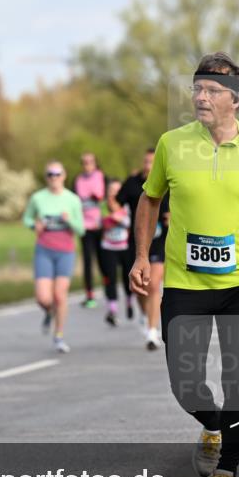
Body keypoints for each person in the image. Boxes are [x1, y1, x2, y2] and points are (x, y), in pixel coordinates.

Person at [129, 52, 239, 477]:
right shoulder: (172, 144)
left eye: (210, 90)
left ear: (236, 99)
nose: (200, 96)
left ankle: (227, 473)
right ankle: (212, 424)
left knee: (237, 378)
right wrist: (143, 255)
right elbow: (149, 201)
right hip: (184, 282)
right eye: (196, 88)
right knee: (185, 383)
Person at [24, 161, 85, 352]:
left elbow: (81, 230)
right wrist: (35, 225)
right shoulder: (38, 198)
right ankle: (49, 312)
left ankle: (58, 335)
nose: (54, 178)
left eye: (57, 174)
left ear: (64, 176)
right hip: (44, 250)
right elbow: (26, 218)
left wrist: (70, 221)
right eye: (50, 174)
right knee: (43, 298)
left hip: (65, 252)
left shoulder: (72, 199)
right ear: (46, 177)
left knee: (59, 295)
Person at [117, 149, 170, 349]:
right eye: (146, 161)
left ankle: (152, 331)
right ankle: (145, 313)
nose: (149, 166)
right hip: (138, 242)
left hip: (160, 241)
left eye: (152, 162)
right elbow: (115, 202)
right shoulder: (132, 183)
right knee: (141, 287)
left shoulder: (169, 181)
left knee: (154, 284)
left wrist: (173, 216)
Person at [98, 179, 133, 326]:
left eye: (117, 190)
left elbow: (130, 223)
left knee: (127, 278)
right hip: (108, 247)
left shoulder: (127, 205)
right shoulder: (103, 206)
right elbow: (101, 223)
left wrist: (117, 218)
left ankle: (129, 302)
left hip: (124, 247)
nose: (114, 193)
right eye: (111, 190)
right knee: (110, 278)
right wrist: (115, 218)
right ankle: (112, 310)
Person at [74, 152, 105, 309]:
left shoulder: (100, 176)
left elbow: (103, 197)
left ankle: (109, 290)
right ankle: (89, 295)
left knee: (103, 260)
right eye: (84, 162)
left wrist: (97, 197)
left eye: (90, 162)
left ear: (95, 163)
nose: (87, 165)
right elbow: (75, 201)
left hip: (100, 225)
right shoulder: (78, 180)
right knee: (87, 261)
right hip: (85, 226)